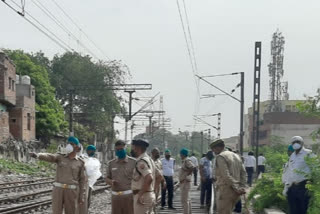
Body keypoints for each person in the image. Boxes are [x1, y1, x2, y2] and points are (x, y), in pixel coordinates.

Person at [29, 136, 86, 214]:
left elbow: (82, 180)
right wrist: (38, 155)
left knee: (71, 211)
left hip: (71, 191)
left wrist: (81, 196)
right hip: (58, 190)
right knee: (56, 211)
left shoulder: (80, 162)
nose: (69, 146)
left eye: (72, 144)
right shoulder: (60, 157)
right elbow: (50, 157)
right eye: (68, 143)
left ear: (77, 147)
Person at [210, 139, 247, 214]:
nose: (213, 152)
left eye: (213, 149)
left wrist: (236, 188)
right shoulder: (236, 156)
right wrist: (241, 187)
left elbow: (225, 175)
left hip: (226, 190)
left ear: (218, 148)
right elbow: (243, 173)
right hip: (236, 193)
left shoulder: (221, 157)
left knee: (223, 212)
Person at [106, 140, 136, 214]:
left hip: (129, 196)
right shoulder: (111, 163)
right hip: (116, 197)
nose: (119, 151)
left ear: (125, 149)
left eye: (121, 149)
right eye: (117, 149)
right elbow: (106, 178)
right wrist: (111, 182)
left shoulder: (133, 162)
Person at [285, 136, 313, 214]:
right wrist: (286, 187)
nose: (296, 144)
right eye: (294, 142)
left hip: (304, 186)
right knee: (293, 210)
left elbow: (315, 167)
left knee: (302, 210)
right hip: (293, 187)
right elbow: (290, 171)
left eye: (298, 142)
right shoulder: (292, 156)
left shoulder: (308, 153)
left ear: (302, 143)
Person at [131, 139, 157, 214]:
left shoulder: (141, 161)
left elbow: (149, 178)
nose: (132, 149)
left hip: (143, 196)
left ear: (138, 148)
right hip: (149, 194)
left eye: (133, 147)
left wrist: (140, 194)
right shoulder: (150, 160)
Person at [78, 145, 102, 214]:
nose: (93, 152)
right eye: (92, 150)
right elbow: (87, 171)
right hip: (82, 182)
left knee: (87, 200)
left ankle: (86, 211)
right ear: (88, 150)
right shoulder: (82, 157)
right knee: (82, 199)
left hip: (89, 183)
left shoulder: (93, 159)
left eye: (94, 151)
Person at [179, 148, 194, 214]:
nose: (180, 155)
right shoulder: (184, 161)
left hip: (185, 182)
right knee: (187, 199)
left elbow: (192, 167)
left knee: (184, 200)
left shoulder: (187, 160)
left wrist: (187, 176)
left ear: (183, 154)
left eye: (181, 154)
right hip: (184, 182)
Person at [151, 148, 166, 213]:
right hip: (151, 184)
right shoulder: (150, 161)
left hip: (158, 184)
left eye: (159, 152)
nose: (158, 154)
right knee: (151, 200)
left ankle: (154, 211)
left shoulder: (159, 162)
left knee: (155, 199)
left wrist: (163, 181)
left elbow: (161, 172)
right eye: (157, 152)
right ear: (152, 153)